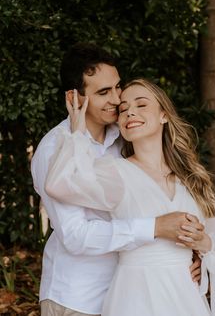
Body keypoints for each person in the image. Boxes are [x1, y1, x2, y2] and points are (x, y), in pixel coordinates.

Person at [31, 43, 203, 316]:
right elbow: (76, 236)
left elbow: (153, 194)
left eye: (116, 87)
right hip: (78, 298)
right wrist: (154, 227)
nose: (116, 99)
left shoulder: (124, 136)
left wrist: (190, 256)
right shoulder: (54, 150)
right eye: (103, 92)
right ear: (75, 98)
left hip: (131, 293)